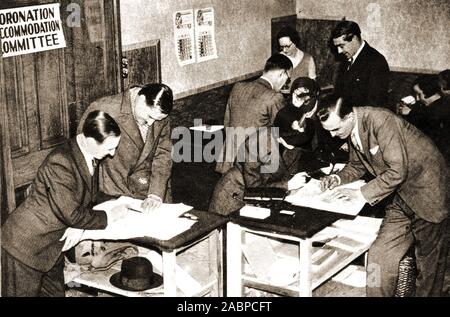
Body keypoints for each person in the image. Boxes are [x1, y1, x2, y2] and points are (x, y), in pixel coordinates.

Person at [317, 96, 449, 297]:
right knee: (379, 256)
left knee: (428, 269)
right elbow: (357, 165)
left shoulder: (381, 120)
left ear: (350, 116)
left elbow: (397, 171)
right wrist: (337, 178)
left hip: (428, 194)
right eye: (329, 131)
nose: (334, 136)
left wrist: (360, 194)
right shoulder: (354, 128)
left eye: (336, 129)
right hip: (401, 196)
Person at [1, 111, 124, 297]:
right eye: (109, 148)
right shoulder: (61, 162)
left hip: (52, 247)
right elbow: (72, 214)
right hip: (25, 246)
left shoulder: (88, 155)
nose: (112, 154)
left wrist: (120, 201)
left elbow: (88, 197)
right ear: (91, 141)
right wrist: (110, 216)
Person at [77, 83, 173, 212]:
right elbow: (83, 153)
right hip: (114, 190)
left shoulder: (159, 111)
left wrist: (156, 193)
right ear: (142, 99)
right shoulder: (104, 109)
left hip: (151, 191)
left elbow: (163, 154)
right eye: (150, 117)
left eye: (157, 119)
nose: (151, 123)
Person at [216, 53, 293, 175]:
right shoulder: (274, 97)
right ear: (281, 73)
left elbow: (227, 123)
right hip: (254, 166)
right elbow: (284, 133)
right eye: (288, 79)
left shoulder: (237, 87)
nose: (286, 84)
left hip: (229, 160)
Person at [209, 126, 309, 216]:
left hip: (265, 197)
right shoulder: (256, 142)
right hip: (235, 194)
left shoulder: (295, 142)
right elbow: (253, 187)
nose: (295, 146)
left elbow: (289, 171)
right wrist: (287, 185)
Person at [331, 20, 390, 108]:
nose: (339, 51)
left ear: (354, 39)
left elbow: (374, 104)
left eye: (342, 46)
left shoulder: (376, 62)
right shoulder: (346, 58)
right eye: (337, 47)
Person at [274, 77, 320, 174]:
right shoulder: (286, 111)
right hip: (294, 159)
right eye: (295, 94)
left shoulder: (319, 109)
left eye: (302, 94)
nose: (297, 98)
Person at [399, 74, 450, 161]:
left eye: (419, 94)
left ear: (429, 92)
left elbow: (428, 128)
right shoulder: (428, 106)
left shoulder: (442, 108)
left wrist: (410, 113)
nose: (418, 98)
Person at [276, 26, 316, 92]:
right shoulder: (277, 59)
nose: (284, 50)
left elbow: (313, 85)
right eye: (282, 47)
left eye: (287, 46)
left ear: (295, 42)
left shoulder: (308, 59)